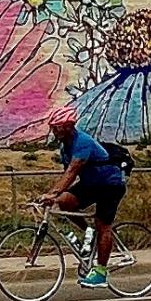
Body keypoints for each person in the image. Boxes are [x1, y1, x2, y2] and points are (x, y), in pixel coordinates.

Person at [41, 106, 127, 289]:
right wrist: (54, 195)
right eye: (52, 127)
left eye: (57, 127)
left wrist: (53, 193)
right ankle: (89, 237)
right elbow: (67, 177)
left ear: (68, 126)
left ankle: (101, 273)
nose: (54, 131)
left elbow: (73, 171)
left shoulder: (83, 142)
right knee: (64, 203)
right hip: (91, 184)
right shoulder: (65, 147)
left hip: (110, 183)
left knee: (103, 224)